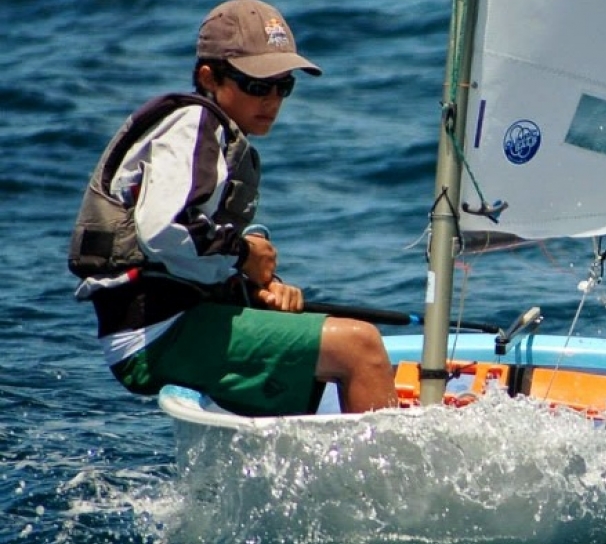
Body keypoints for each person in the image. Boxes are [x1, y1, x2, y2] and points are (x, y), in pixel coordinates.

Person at [67, 0, 398, 416]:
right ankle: (396, 480)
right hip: (156, 332)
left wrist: (261, 282)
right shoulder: (194, 123)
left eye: (284, 85)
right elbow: (163, 228)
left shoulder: (216, 135)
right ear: (209, 76)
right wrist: (244, 253)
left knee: (328, 350)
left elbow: (193, 245)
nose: (273, 99)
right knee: (360, 346)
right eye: (258, 85)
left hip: (180, 318)